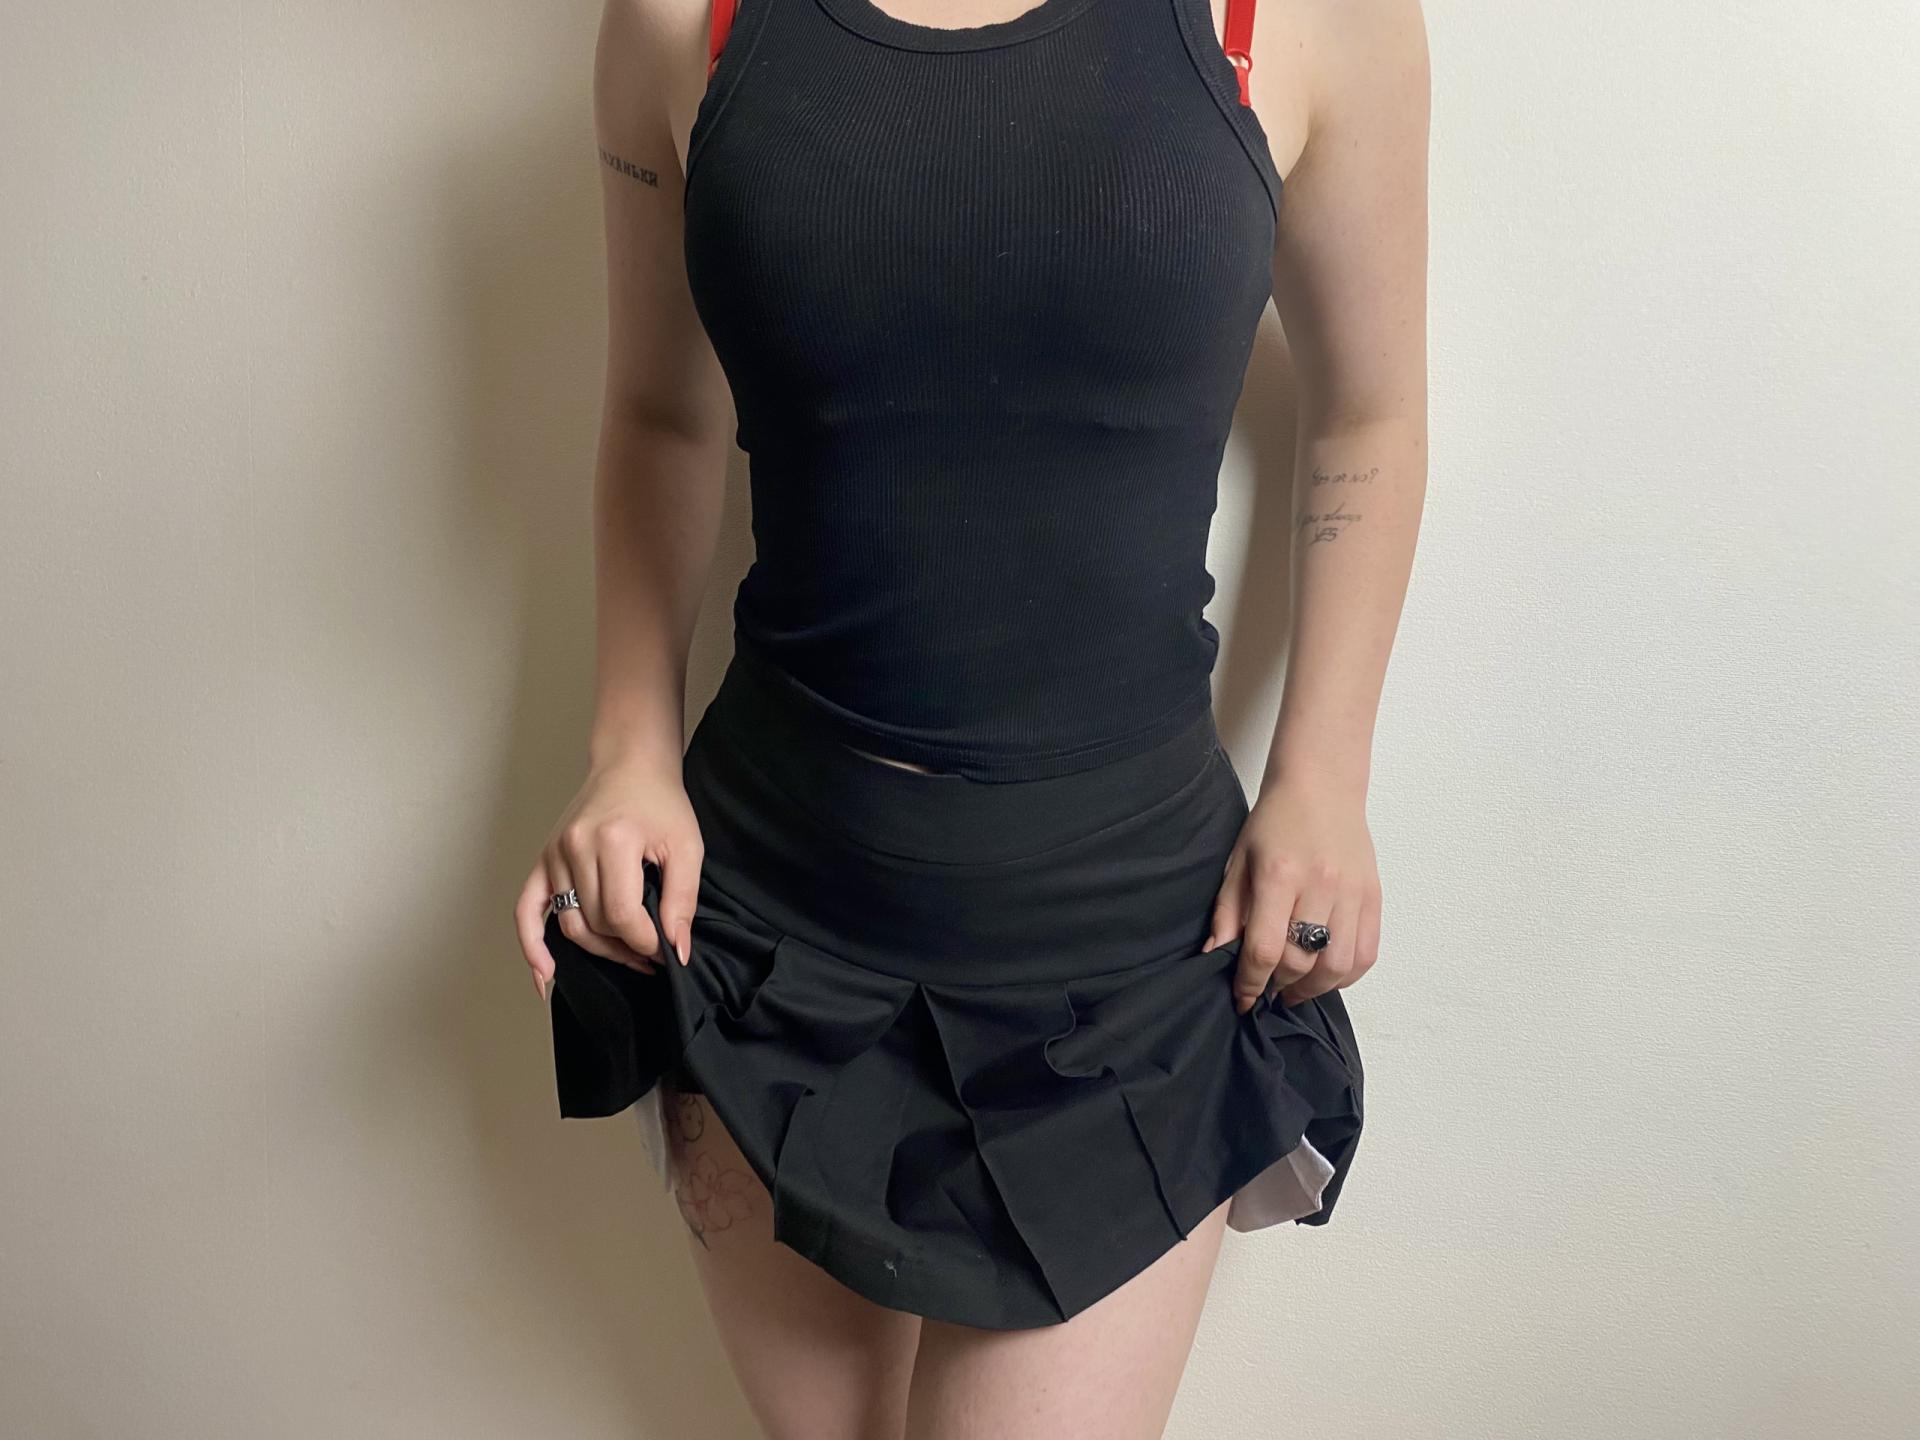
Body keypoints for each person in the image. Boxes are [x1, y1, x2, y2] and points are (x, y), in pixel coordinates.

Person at [514, 0, 1429, 1428]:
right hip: (769, 923)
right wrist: (625, 747)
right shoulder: (678, 22)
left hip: (1131, 948)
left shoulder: (1313, 18)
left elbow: (1369, 408)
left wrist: (1324, 778)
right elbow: (659, 414)